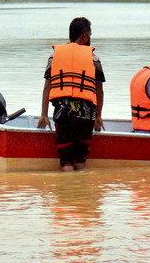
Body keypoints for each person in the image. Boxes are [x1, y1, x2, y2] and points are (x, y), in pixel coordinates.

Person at [37, 17, 105, 172]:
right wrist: (98, 117)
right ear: (85, 36)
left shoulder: (54, 57)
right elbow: (99, 90)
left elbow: (47, 87)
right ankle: (80, 190)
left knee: (66, 160)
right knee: (80, 159)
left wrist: (44, 114)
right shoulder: (94, 58)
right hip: (86, 114)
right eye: (90, 35)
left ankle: (67, 191)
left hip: (63, 113)